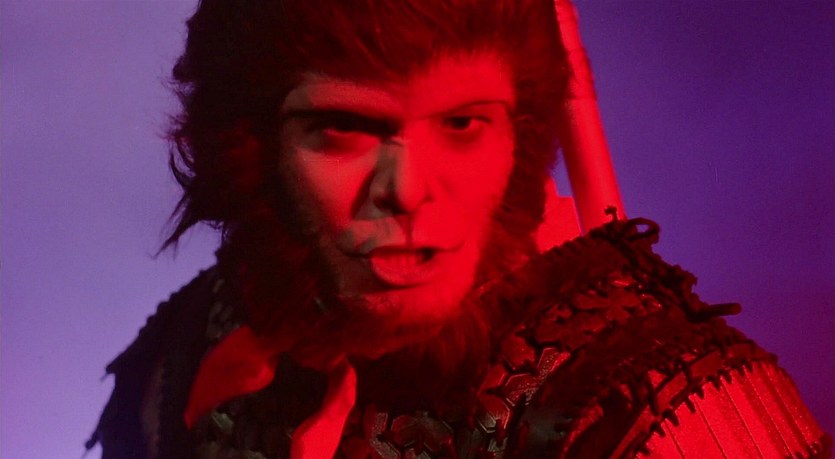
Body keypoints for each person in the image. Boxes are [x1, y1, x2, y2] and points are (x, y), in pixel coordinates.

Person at [88, 1, 830, 458]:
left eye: (463, 124)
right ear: (250, 149)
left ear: (519, 136)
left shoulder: (666, 406)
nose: (408, 190)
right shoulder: (195, 344)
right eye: (343, 128)